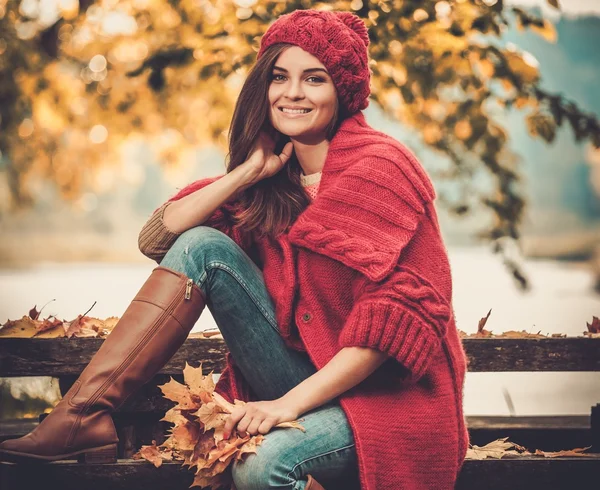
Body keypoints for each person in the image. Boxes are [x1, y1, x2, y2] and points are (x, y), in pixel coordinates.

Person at [0, 9, 470, 490]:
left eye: (315, 79)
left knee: (263, 465)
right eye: (280, 77)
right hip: (296, 374)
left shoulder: (381, 168)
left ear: (342, 91)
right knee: (203, 244)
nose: (292, 93)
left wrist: (285, 406)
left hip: (384, 403)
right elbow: (158, 239)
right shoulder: (268, 183)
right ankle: (83, 415)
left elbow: (390, 329)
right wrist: (245, 174)